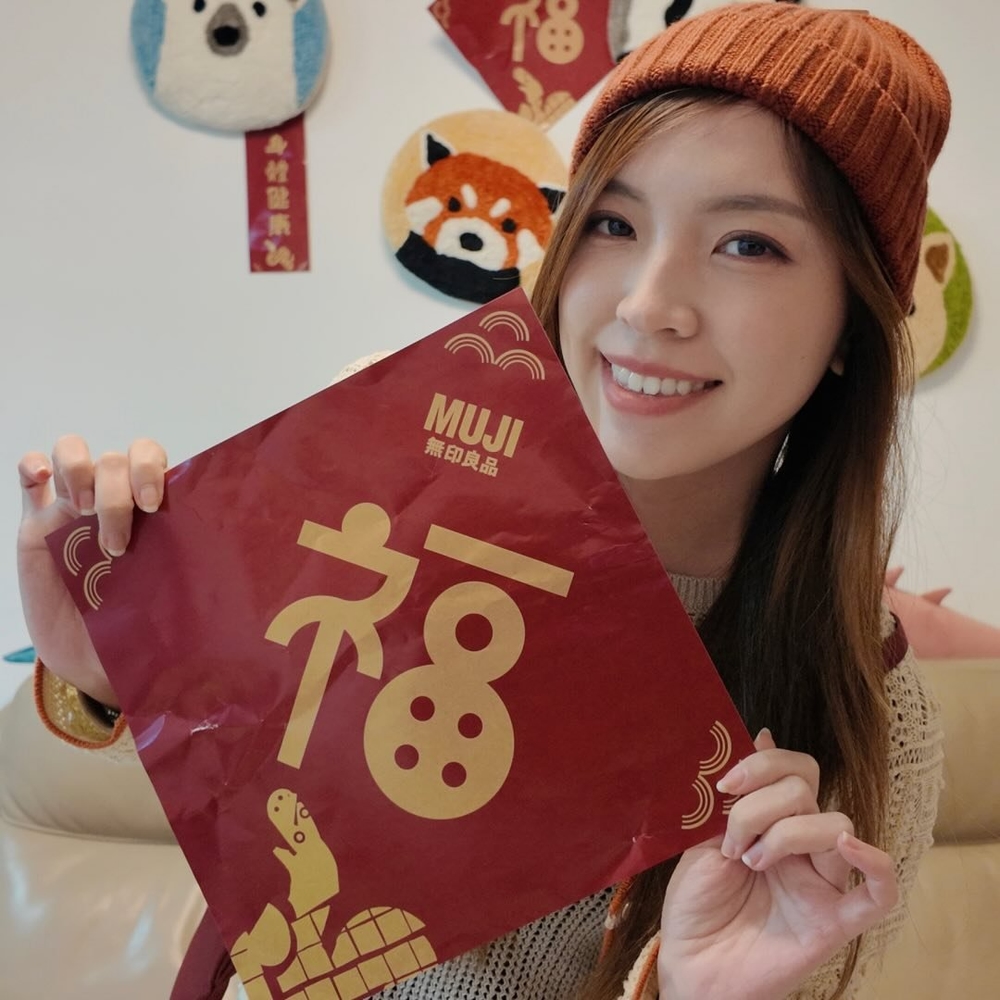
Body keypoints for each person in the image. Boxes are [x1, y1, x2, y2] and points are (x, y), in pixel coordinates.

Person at [15, 4, 949, 999]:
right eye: (613, 223)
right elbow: (248, 817)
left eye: (749, 244)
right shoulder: (396, 479)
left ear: (851, 322)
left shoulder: (867, 710)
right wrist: (104, 670)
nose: (647, 303)